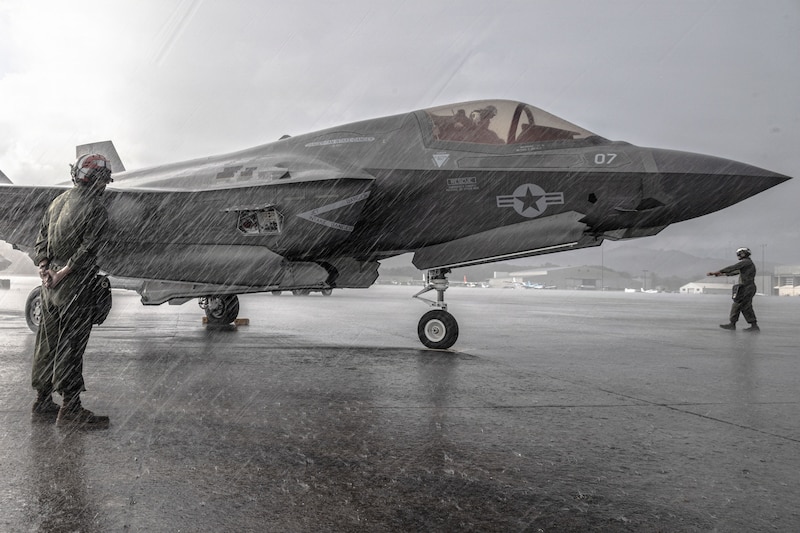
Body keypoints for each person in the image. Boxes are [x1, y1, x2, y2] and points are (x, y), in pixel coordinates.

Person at [31, 154, 113, 429]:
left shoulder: (58, 202)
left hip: (49, 285)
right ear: (99, 181)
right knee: (71, 345)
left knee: (47, 342)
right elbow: (88, 250)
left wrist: (46, 269)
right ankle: (70, 409)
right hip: (74, 285)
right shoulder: (95, 207)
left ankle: (42, 401)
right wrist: (65, 272)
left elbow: (42, 238)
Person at [707, 247, 760, 332]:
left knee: (739, 305)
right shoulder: (747, 264)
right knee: (745, 306)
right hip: (747, 287)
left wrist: (717, 272)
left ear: (743, 253)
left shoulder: (746, 262)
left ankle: (734, 324)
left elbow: (734, 267)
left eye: (739, 253)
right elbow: (735, 272)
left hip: (747, 288)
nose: (738, 255)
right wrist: (721, 274)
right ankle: (752, 325)